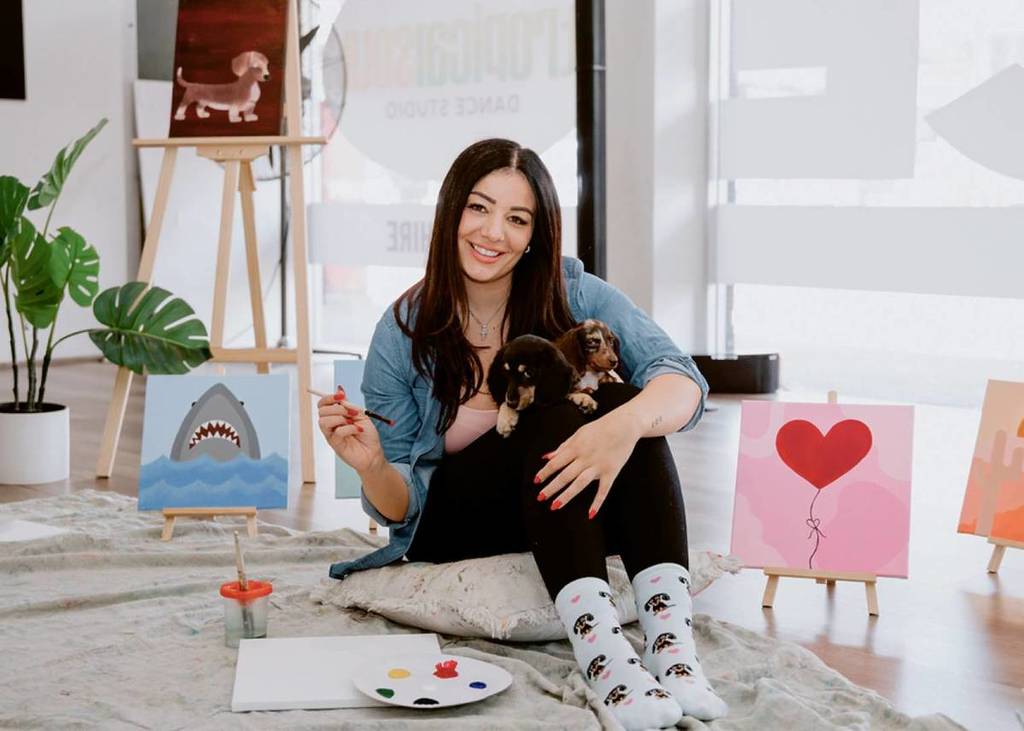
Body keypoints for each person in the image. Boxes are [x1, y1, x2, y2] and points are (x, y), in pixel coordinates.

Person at [317, 138, 727, 729]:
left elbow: (681, 380)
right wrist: (372, 466)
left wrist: (625, 423)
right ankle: (606, 662)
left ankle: (673, 652)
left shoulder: (572, 291)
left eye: (517, 218)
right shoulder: (403, 329)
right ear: (451, 212)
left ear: (536, 233)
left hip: (553, 499)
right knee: (554, 410)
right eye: (479, 209)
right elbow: (401, 512)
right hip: (455, 518)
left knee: (616, 398)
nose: (493, 232)